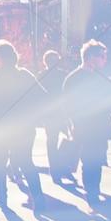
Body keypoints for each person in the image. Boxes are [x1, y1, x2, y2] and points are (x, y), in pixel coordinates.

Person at [0, 40, 47, 208]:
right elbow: (43, 96)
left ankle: (2, 197)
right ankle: (38, 197)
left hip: (0, 128)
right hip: (24, 127)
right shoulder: (24, 74)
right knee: (26, 162)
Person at [62, 40, 111, 206]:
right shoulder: (73, 79)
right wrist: (72, 124)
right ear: (90, 57)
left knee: (97, 160)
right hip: (85, 126)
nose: (105, 60)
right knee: (89, 160)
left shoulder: (100, 78)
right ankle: (92, 194)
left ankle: (94, 190)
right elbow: (68, 105)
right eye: (102, 56)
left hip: (101, 127)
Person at [37, 50, 70, 183]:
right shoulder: (63, 75)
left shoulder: (41, 76)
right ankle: (63, 167)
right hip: (61, 112)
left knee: (52, 141)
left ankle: (56, 170)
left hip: (50, 114)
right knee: (69, 140)